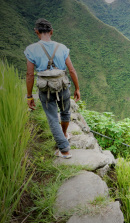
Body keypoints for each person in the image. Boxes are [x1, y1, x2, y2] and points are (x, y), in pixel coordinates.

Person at [25, 18, 80, 158]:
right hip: (62, 86)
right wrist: (77, 89)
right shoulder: (62, 47)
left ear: (36, 31)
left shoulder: (31, 49)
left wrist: (29, 95)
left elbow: (30, 74)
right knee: (65, 112)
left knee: (52, 118)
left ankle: (64, 149)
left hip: (45, 90)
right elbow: (72, 70)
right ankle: (64, 137)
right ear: (51, 32)